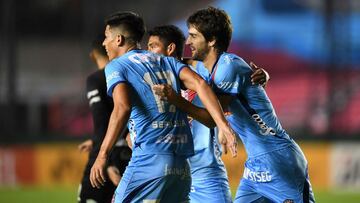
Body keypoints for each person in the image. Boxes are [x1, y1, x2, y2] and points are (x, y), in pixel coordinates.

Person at [156, 7, 315, 203]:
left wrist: (175, 99)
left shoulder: (227, 68)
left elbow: (210, 118)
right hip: (255, 166)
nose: (188, 42)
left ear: (212, 40)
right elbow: (180, 64)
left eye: (194, 36)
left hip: (278, 159)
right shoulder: (208, 69)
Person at [89, 11, 237, 203]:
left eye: (107, 37)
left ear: (118, 39)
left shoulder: (117, 66)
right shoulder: (166, 61)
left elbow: (122, 107)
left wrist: (102, 155)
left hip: (149, 161)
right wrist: (223, 125)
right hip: (182, 168)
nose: (103, 43)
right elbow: (201, 84)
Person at [148, 25, 269, 203]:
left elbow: (235, 75)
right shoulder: (148, 76)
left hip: (204, 174)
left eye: (152, 46)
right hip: (168, 172)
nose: (147, 52)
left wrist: (263, 75)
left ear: (170, 48)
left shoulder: (200, 70)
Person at [77, 35, 132, 203]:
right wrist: (95, 141)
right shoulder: (128, 74)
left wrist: (105, 162)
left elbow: (103, 122)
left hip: (108, 155)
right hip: (132, 154)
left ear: (93, 55)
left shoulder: (96, 79)